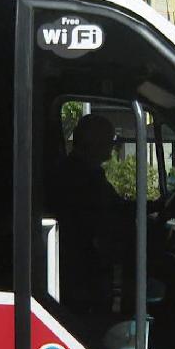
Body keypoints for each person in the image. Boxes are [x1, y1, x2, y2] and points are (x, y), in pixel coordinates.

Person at [56, 114, 128, 320]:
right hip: (80, 261)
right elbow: (110, 210)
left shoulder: (86, 170)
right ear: (93, 142)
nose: (111, 146)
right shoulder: (80, 174)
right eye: (108, 140)